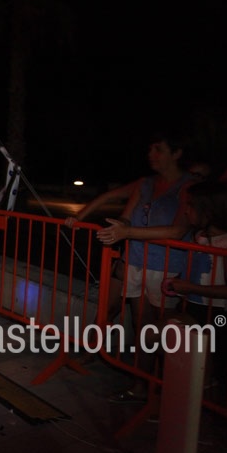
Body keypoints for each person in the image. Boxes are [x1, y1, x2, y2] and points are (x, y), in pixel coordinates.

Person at [94, 130, 196, 402]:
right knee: (142, 328)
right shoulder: (146, 184)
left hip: (167, 267)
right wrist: (118, 227)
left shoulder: (188, 186)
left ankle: (173, 391)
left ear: (177, 153)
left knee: (167, 331)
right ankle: (141, 387)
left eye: (158, 149)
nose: (151, 155)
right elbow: (127, 218)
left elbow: (178, 231)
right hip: (137, 261)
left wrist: (128, 233)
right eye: (150, 149)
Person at [161, 181, 227, 398]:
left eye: (190, 205)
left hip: (217, 315)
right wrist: (178, 282)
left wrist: (191, 287)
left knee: (206, 365)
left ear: (208, 211)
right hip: (192, 306)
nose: (185, 210)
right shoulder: (198, 237)